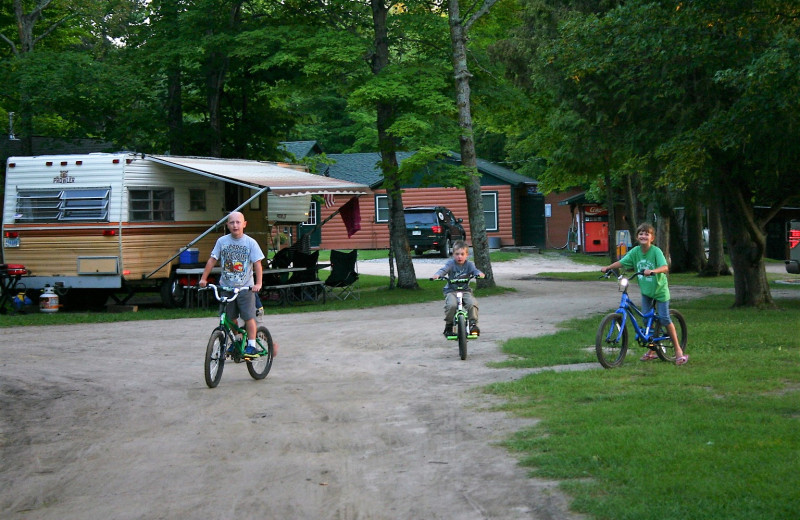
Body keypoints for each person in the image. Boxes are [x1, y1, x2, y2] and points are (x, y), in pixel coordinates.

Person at [601, 222, 688, 365]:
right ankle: (652, 351)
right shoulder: (635, 252)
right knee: (647, 322)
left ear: (652, 238)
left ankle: (678, 351)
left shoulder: (656, 251)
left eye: (646, 233)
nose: (643, 235)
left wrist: (653, 271)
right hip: (646, 292)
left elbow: (665, 267)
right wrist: (608, 268)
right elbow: (622, 262)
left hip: (659, 291)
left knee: (664, 319)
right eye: (641, 233)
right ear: (637, 237)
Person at [199, 211, 272, 357]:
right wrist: (203, 279)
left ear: (244, 224)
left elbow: (258, 264)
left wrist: (258, 283)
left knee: (248, 316)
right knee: (230, 317)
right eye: (232, 222)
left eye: (238, 222)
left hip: (245, 288)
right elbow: (212, 260)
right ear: (227, 225)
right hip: (227, 287)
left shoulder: (250, 243)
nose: (235, 225)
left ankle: (251, 345)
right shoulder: (222, 242)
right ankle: (237, 340)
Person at [432, 240, 485, 338]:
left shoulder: (469, 265)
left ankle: (473, 324)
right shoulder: (451, 264)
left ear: (466, 255)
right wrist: (438, 275)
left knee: (472, 303)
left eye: (462, 254)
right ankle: (449, 326)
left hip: (465, 291)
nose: (459, 256)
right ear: (453, 254)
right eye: (457, 254)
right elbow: (443, 270)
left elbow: (475, 271)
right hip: (451, 291)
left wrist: (479, 274)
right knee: (451, 305)